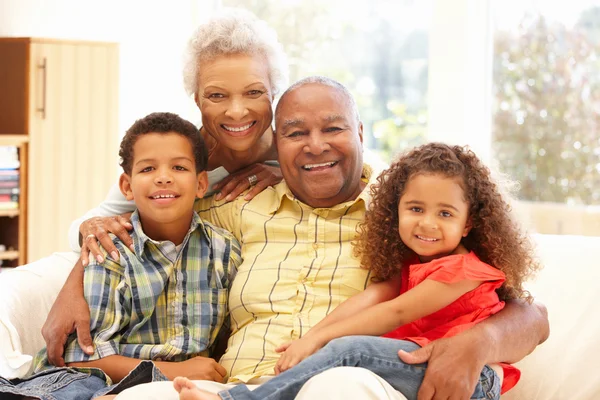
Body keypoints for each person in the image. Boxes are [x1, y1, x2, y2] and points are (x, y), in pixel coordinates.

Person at [44, 77, 549, 400]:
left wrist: (478, 343)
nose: (315, 146)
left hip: (349, 382)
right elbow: (156, 208)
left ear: (360, 132)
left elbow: (528, 313)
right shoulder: (235, 206)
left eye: (332, 128)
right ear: (274, 146)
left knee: (336, 386)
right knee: (141, 399)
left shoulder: (405, 216)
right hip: (232, 382)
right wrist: (81, 264)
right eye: (294, 133)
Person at [171, 142, 541, 400]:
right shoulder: (414, 266)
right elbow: (370, 298)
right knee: (341, 352)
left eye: (444, 213)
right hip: (418, 369)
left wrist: (320, 342)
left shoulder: (465, 271)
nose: (427, 224)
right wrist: (311, 337)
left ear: (467, 224)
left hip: (470, 381)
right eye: (415, 209)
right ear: (395, 210)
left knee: (349, 349)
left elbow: (393, 312)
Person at [0, 112, 241, 399]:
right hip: (92, 376)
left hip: (178, 383)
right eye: (148, 169)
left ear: (201, 184)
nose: (163, 178)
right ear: (127, 186)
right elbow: (82, 357)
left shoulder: (224, 251)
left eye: (178, 167)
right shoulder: (111, 251)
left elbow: (228, 337)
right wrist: (173, 370)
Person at [68, 7, 288, 269]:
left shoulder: (297, 148)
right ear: (197, 100)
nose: (237, 111)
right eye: (217, 95)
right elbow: (86, 225)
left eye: (253, 92)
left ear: (273, 94)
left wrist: (286, 173)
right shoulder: (177, 153)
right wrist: (91, 227)